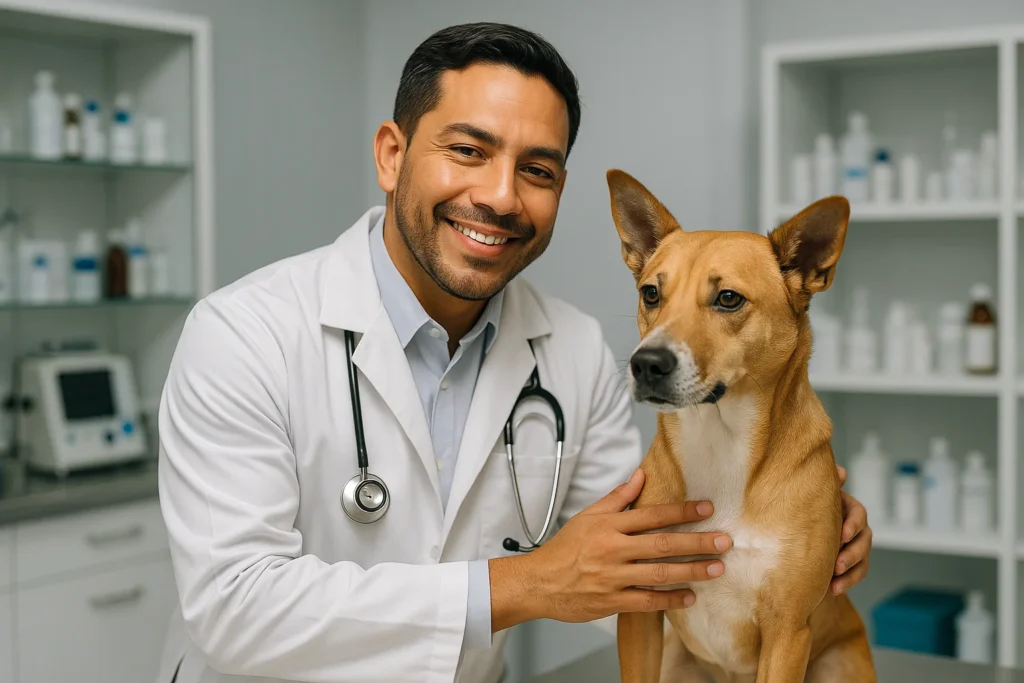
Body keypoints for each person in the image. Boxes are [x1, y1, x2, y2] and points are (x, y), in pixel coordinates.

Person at [154, 21, 872, 683]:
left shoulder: (575, 349)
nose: (500, 196)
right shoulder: (242, 333)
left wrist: (804, 532)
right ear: (392, 154)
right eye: (468, 150)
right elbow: (230, 607)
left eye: (538, 170)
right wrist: (522, 584)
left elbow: (636, 556)